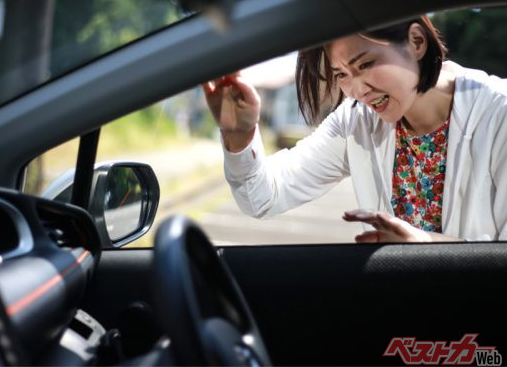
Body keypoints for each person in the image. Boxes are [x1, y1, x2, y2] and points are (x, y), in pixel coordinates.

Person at [203, 16, 507, 242]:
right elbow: (263, 196)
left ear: (417, 42)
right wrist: (239, 135)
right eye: (341, 75)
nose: (356, 90)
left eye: (365, 65)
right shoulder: (357, 121)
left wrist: (424, 246)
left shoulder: (499, 113)